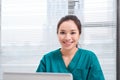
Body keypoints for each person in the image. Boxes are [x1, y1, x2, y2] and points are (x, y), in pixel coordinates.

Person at [36, 15, 105, 80]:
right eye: (62, 33)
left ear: (79, 34)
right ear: (57, 34)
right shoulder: (47, 59)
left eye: (72, 33)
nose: (67, 38)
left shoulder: (89, 58)